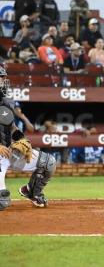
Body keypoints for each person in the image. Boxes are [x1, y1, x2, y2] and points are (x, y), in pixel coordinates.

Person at [0, 65, 57, 210]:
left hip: (7, 152)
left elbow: (11, 127)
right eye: (0, 78)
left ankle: (32, 191)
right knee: (2, 202)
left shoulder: (6, 103)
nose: (3, 81)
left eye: (3, 78)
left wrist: (22, 139)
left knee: (48, 163)